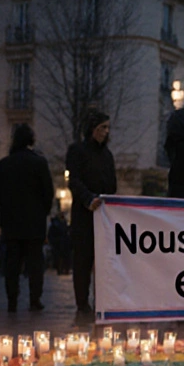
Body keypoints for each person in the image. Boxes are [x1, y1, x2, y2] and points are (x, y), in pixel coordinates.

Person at [0, 124, 54, 312]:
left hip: (11, 221)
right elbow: (48, 193)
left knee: (12, 264)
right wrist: (42, 212)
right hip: (34, 222)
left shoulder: (4, 164)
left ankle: (12, 300)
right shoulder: (39, 163)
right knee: (35, 264)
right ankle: (35, 299)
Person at [67, 110, 117, 325]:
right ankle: (82, 304)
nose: (104, 132)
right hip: (83, 214)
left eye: (107, 128)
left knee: (103, 261)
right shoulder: (77, 151)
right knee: (82, 261)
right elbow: (74, 180)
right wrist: (88, 199)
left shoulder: (107, 155)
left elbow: (112, 185)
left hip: (103, 216)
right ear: (92, 129)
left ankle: (101, 301)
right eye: (101, 128)